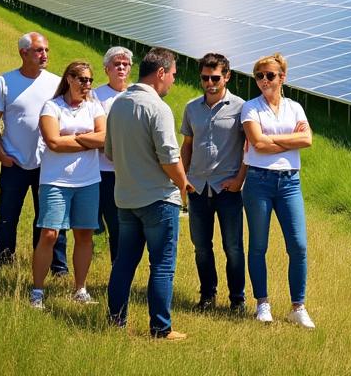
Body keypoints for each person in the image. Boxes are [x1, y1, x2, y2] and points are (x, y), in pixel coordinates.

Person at [105, 47, 191, 341]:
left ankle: (115, 322)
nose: (173, 83)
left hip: (125, 199)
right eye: (174, 76)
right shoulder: (158, 108)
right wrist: (183, 184)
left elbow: (110, 152)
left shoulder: (118, 104)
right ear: (161, 73)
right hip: (158, 200)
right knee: (163, 266)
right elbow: (169, 158)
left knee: (124, 263)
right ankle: (160, 329)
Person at [241, 53, 314, 328]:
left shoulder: (295, 107)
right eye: (259, 76)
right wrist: (288, 141)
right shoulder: (250, 108)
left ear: (282, 77)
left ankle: (298, 306)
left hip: (289, 182)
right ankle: (263, 303)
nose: (264, 81)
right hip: (258, 182)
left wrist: (271, 139)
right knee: (258, 245)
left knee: (298, 245)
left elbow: (307, 139)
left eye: (270, 75)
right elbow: (256, 144)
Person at [0, 32, 66, 273]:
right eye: (39, 50)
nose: (45, 55)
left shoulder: (55, 83)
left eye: (46, 51)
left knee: (50, 219)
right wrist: (1, 154)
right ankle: (3, 263)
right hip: (14, 163)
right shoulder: (5, 82)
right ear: (24, 53)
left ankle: (55, 268)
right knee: (8, 216)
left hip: (47, 164)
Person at [29, 60, 106, 308]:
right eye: (82, 79)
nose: (87, 85)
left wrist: (72, 138)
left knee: (84, 234)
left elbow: (104, 138)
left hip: (88, 180)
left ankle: (80, 288)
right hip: (56, 180)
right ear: (69, 79)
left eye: (90, 80)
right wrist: (87, 139)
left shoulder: (94, 107)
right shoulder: (52, 107)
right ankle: (37, 291)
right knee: (49, 234)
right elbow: (53, 143)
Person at [181, 53, 247, 312]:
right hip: (198, 187)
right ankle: (207, 296)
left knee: (233, 248)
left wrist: (240, 179)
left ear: (227, 76)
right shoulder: (191, 108)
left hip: (227, 189)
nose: (210, 83)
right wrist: (183, 179)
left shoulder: (241, 108)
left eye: (215, 78)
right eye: (205, 78)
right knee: (201, 247)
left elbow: (248, 148)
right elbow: (187, 145)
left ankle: (237, 300)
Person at [93, 46, 133, 260]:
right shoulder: (95, 95)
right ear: (106, 69)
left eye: (125, 64)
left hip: (126, 171)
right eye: (116, 64)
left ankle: (117, 265)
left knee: (119, 223)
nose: (120, 68)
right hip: (99, 169)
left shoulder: (136, 94)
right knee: (91, 221)